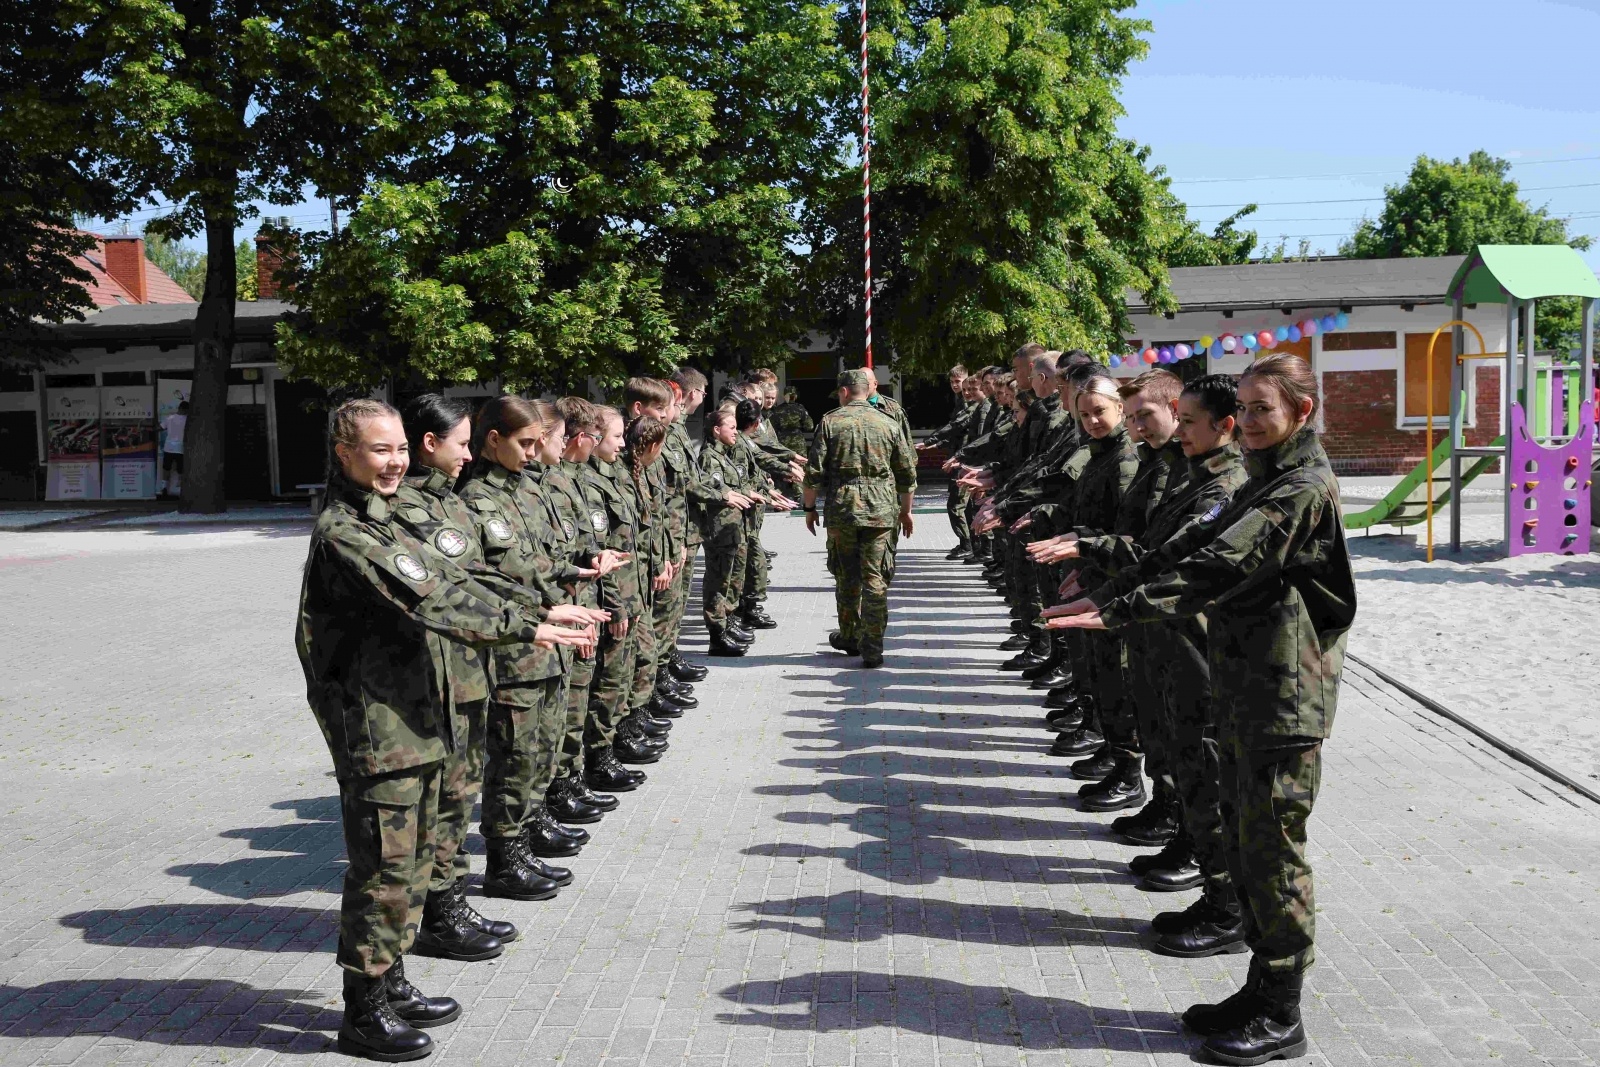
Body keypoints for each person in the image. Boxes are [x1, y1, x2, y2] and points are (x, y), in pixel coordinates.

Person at [1046, 353, 1355, 1063]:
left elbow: (1223, 563)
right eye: (1242, 408)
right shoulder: (1264, 477)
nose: (1246, 422)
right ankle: (1259, 987)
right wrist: (1108, 590)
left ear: (1300, 413)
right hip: (1249, 688)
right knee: (1247, 845)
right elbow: (1189, 543)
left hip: (1285, 699)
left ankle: (1283, 1011)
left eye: (1260, 409)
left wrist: (1120, 606)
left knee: (1273, 855)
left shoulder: (1300, 488)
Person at [297, 398, 591, 1061]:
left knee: (417, 856)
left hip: (418, 716)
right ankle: (363, 1011)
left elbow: (461, 572)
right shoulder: (346, 532)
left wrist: (537, 602)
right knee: (385, 869)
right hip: (380, 727)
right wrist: (528, 625)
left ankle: (393, 979)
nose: (396, 460)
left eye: (400, 447)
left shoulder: (390, 518)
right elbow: (428, 594)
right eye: (380, 449)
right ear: (344, 454)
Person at [456, 397, 605, 902]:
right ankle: (503, 856)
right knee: (515, 754)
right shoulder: (479, 498)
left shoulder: (526, 489)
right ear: (492, 439)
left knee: (541, 748)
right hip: (516, 647)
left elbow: (548, 555)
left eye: (538, 441)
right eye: (525, 442)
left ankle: (527, 834)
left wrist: (577, 569)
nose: (534, 451)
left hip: (549, 637)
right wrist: (562, 580)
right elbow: (503, 570)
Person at [804, 368, 916, 668]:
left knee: (846, 576)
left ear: (843, 392)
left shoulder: (830, 421)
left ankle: (851, 636)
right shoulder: (889, 422)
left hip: (842, 509)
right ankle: (873, 646)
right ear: (868, 390)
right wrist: (906, 511)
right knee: (876, 579)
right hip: (882, 509)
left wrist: (809, 508)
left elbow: (813, 471)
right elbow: (907, 472)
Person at [699, 404, 761, 654]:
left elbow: (735, 486)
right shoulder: (709, 457)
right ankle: (717, 634)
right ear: (716, 430)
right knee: (718, 581)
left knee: (731, 579)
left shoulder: (724, 455)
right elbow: (713, 491)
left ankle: (727, 622)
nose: (736, 432)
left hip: (733, 527)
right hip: (719, 529)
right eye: (731, 427)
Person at [769, 387, 816, 455]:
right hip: (798, 445)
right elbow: (809, 426)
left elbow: (772, 429)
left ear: (784, 396)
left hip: (783, 444)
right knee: (800, 464)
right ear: (795, 396)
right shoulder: (800, 409)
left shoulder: (777, 410)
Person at [160, 400, 188, 498]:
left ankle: (164, 488)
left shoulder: (169, 418)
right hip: (180, 448)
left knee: (166, 468)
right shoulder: (187, 420)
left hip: (168, 447)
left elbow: (160, 428)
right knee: (181, 470)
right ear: (186, 410)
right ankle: (180, 489)